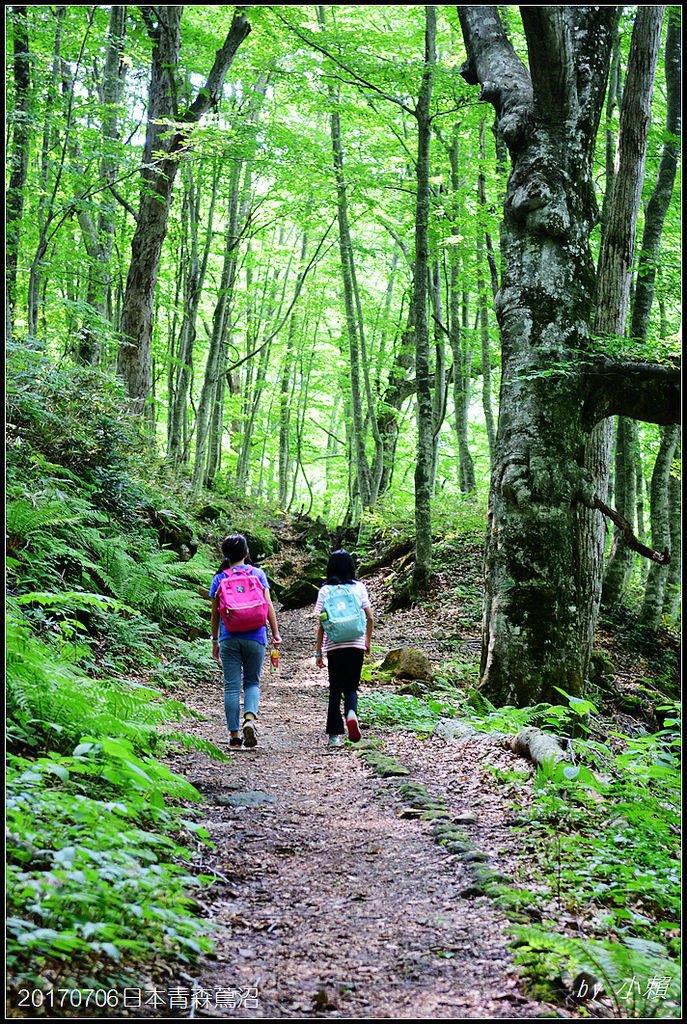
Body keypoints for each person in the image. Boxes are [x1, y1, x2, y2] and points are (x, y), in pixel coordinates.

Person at [210, 534, 281, 748]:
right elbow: (268, 606)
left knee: (231, 687)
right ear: (246, 553)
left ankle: (233, 737)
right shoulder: (258, 574)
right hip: (256, 636)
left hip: (230, 637)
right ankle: (249, 720)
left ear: (225, 554)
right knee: (252, 682)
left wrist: (215, 641)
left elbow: (215, 615)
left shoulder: (219, 578)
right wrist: (275, 633)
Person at [314, 549, 374, 749]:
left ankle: (334, 737)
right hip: (356, 643)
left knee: (335, 689)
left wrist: (318, 652)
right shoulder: (359, 588)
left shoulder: (325, 590)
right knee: (351, 686)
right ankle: (351, 713)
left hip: (335, 645)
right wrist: (367, 641)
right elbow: (371, 617)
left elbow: (321, 623)